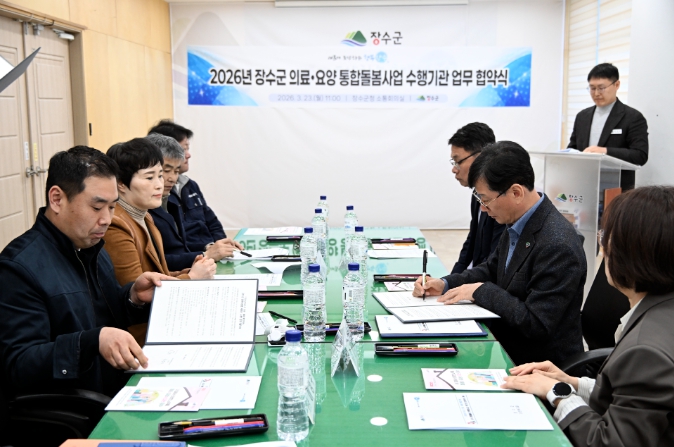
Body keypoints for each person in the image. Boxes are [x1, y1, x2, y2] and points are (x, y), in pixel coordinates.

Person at [503, 186, 674, 447]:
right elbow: (633, 400)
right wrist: (570, 382)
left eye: (606, 237)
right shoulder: (661, 311)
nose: (602, 247)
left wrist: (557, 393)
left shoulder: (646, 352)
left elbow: (608, 442)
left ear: (631, 252)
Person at [0, 146, 172, 399]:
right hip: (77, 405)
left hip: (118, 386)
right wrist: (91, 342)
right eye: (97, 207)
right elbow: (19, 364)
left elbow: (103, 315)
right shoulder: (19, 268)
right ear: (57, 199)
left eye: (112, 207)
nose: (106, 219)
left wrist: (133, 297)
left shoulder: (92, 248)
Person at [413, 142, 586, 365]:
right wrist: (445, 284)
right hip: (508, 350)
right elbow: (492, 269)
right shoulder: (520, 221)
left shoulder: (557, 245)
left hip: (540, 367)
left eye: (486, 200)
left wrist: (481, 291)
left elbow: (536, 323)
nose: (483, 209)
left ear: (516, 192)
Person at [104, 139, 215, 343]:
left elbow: (158, 275)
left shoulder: (145, 216)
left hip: (161, 326)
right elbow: (138, 294)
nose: (159, 184)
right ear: (121, 184)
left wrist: (186, 271)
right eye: (149, 177)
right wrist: (191, 278)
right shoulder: (115, 225)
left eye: (160, 175)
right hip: (140, 337)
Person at [147, 119, 242, 254]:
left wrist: (222, 245)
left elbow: (212, 221)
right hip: (195, 258)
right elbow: (177, 245)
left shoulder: (190, 185)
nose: (188, 155)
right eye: (184, 149)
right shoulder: (158, 195)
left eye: (187, 149)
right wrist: (206, 251)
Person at [567, 62, 648, 190]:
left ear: (617, 85)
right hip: (584, 185)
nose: (596, 93)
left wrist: (605, 151)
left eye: (601, 88)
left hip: (616, 189)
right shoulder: (582, 116)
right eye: (592, 88)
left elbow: (640, 155)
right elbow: (573, 148)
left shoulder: (632, 117)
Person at [447, 122, 506, 274]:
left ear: (480, 157)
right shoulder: (477, 193)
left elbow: (494, 262)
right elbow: (472, 242)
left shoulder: (501, 199)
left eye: (458, 161)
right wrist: (448, 281)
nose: (454, 169)